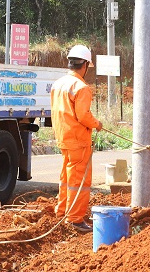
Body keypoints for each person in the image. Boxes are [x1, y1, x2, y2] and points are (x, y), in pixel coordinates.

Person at [49, 44, 102, 233]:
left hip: (64, 137)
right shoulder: (81, 87)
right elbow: (83, 116)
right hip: (78, 140)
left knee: (66, 177)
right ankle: (75, 219)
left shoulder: (58, 84)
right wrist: (97, 124)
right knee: (79, 181)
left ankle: (62, 211)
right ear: (85, 64)